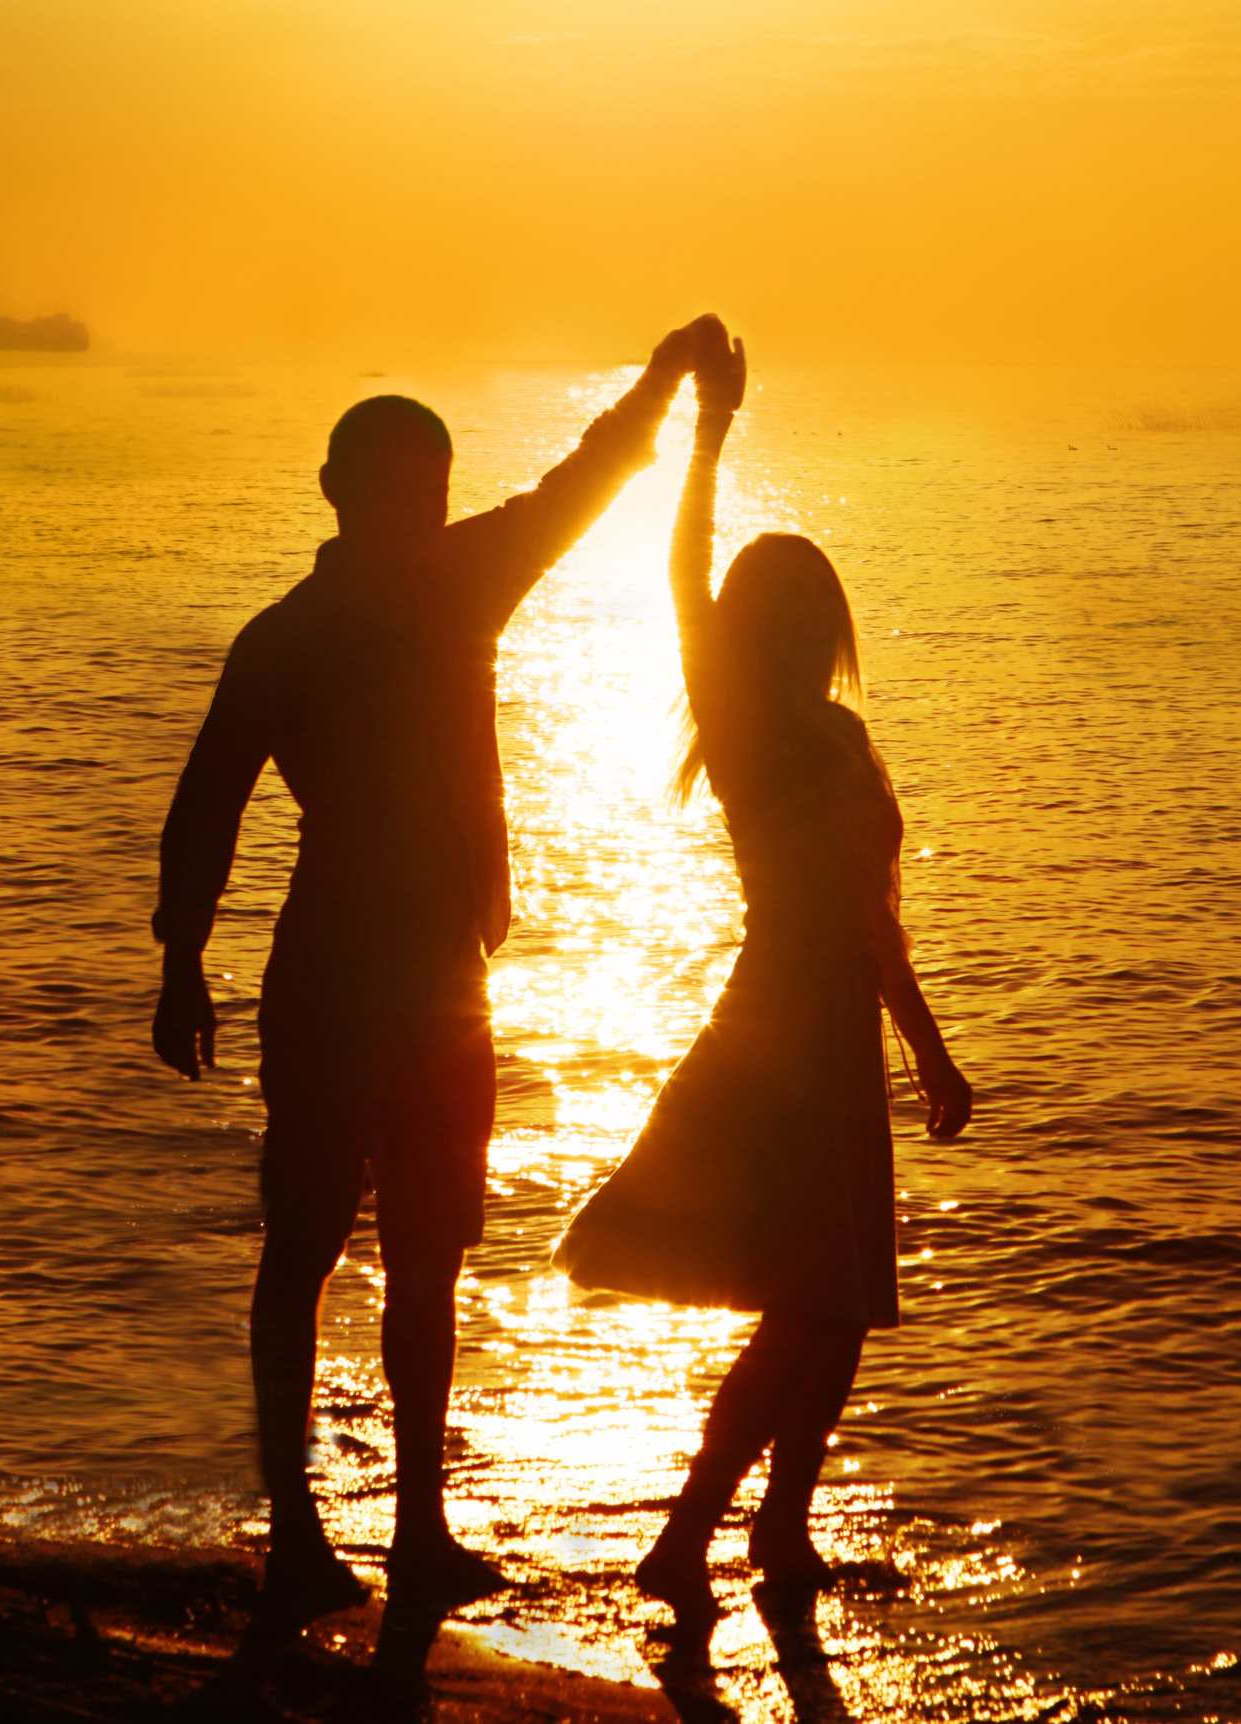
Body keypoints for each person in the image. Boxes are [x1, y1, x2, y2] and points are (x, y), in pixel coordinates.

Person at [149, 319, 717, 1624]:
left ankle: (416, 1533)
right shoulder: (287, 637)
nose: (424, 508)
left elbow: (583, 480)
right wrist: (183, 958)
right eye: (400, 487)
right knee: (302, 1249)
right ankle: (294, 1525)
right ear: (340, 492)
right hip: (335, 972)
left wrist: (664, 381)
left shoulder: (467, 582)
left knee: (428, 1258)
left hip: (448, 985)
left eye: (437, 488)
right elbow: (208, 803)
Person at [555, 322, 975, 1635]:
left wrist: (925, 1044)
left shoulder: (848, 738)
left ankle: (779, 1528)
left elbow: (872, 916)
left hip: (841, 1035)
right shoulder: (741, 726)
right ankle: (688, 1537)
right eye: (771, 595)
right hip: (781, 1033)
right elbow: (685, 578)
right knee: (807, 1308)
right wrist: (710, 430)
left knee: (840, 1310)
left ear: (833, 619)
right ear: (748, 621)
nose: (794, 610)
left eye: (812, 595)